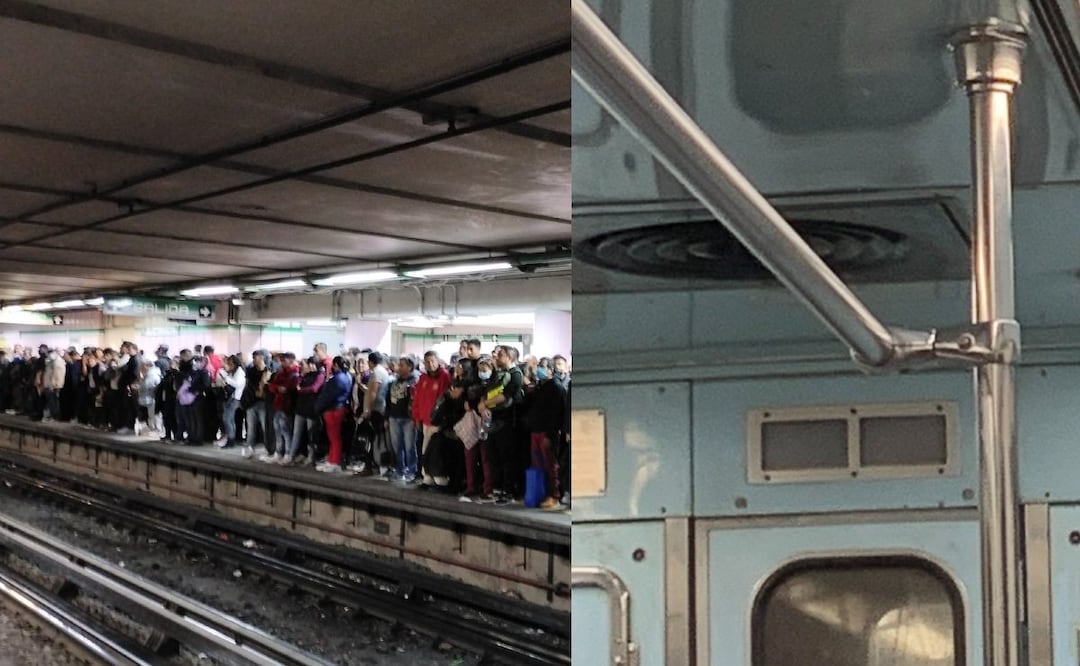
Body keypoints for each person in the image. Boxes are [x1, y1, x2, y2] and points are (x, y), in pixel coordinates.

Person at [315, 356, 353, 473]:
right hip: (340, 408)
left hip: (332, 410)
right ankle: (332, 460)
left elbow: (327, 396)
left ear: (336, 365)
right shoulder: (348, 377)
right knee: (335, 437)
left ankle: (334, 462)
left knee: (334, 438)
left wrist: (317, 407)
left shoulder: (336, 379)